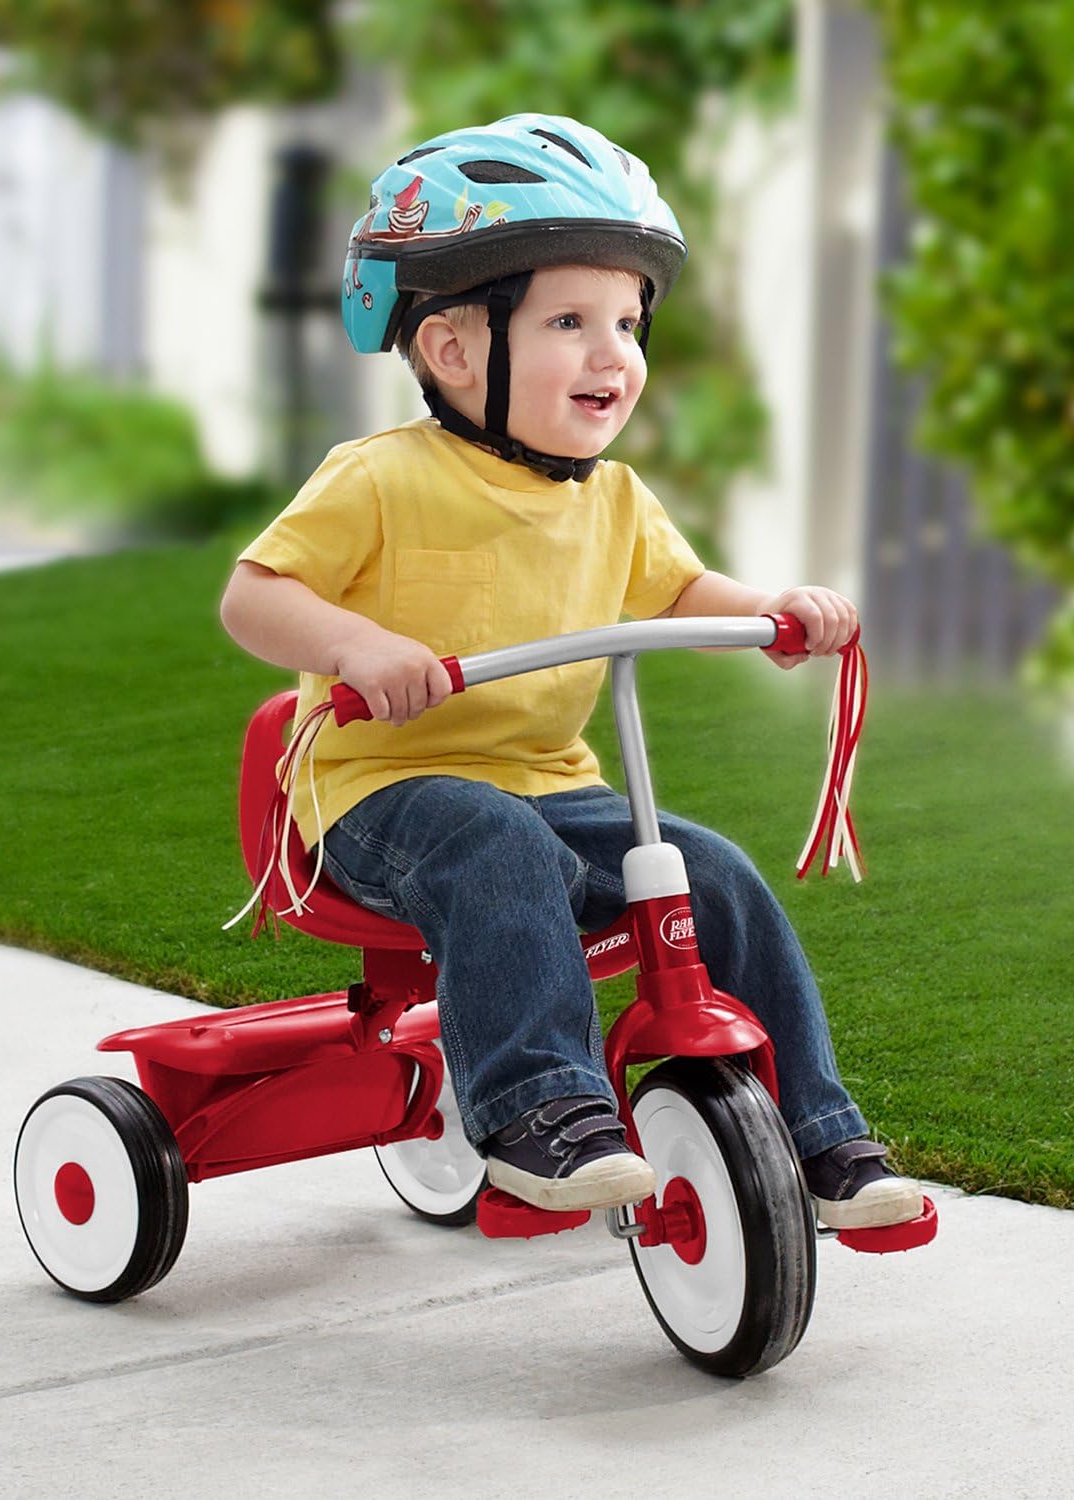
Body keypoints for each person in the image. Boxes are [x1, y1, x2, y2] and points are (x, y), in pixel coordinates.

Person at [220, 113, 922, 1229]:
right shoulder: (377, 480)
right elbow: (254, 596)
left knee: (709, 869)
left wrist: (775, 610)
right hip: (381, 794)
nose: (615, 356)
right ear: (453, 350)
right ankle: (536, 1114)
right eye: (570, 321)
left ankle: (818, 1132)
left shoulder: (615, 498)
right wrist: (358, 646)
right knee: (493, 845)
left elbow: (685, 595)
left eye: (630, 324)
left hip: (556, 787)